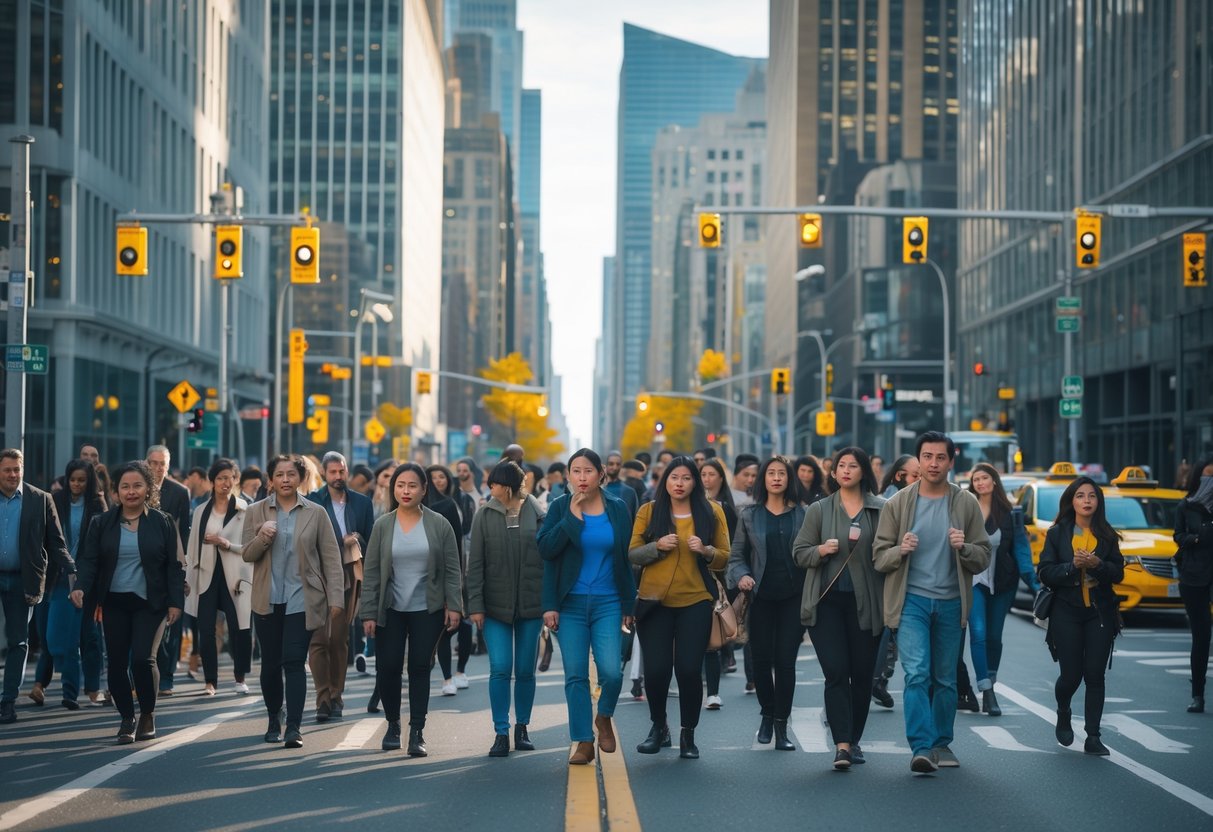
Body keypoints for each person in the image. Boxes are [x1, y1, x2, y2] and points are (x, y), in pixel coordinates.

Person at [872, 432, 990, 774]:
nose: (933, 463)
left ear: (951, 462)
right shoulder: (898, 504)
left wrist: (964, 547)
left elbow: (982, 556)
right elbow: (880, 557)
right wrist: (901, 549)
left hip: (952, 603)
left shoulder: (965, 503)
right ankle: (921, 747)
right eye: (927, 457)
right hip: (912, 603)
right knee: (917, 674)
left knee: (946, 679)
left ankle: (942, 742)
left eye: (941, 457)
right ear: (918, 461)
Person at [70, 460, 183, 742]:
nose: (131, 492)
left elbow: (174, 566)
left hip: (151, 602)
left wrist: (175, 601)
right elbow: (89, 561)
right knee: (118, 663)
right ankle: (126, 717)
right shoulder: (102, 523)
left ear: (148, 489)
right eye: (125, 487)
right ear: (116, 492)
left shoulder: (162, 522)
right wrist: (81, 587)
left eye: (137, 486)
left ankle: (147, 713)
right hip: (115, 602)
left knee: (144, 660)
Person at [539, 449, 637, 765]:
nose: (582, 478)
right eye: (576, 471)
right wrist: (572, 516)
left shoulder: (618, 508)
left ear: (601, 475)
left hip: (609, 601)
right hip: (569, 604)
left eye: (588, 471)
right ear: (569, 475)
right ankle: (582, 740)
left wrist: (628, 602)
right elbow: (546, 551)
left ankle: (604, 715)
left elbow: (625, 558)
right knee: (576, 676)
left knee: (611, 670)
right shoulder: (558, 507)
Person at [629, 456, 730, 760]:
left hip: (696, 601)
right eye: (674, 478)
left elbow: (725, 555)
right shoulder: (649, 511)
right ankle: (659, 727)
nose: (680, 484)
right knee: (657, 671)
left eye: (687, 478)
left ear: (695, 482)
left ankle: (688, 734)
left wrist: (707, 550)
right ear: (665, 481)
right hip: (654, 602)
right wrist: (656, 547)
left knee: (688, 670)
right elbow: (632, 553)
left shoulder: (711, 512)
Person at [241, 455, 345, 749]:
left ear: (300, 479)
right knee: (271, 665)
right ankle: (275, 716)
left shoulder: (316, 512)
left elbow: (331, 559)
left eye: (291, 474)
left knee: (294, 662)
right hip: (267, 599)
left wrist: (336, 598)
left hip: (303, 598)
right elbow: (247, 554)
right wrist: (262, 537)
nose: (285, 480)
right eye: (279, 475)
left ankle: (294, 727)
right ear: (270, 480)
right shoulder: (255, 512)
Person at [360, 463, 462, 756]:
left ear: (424, 489)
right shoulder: (383, 524)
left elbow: (453, 569)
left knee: (419, 666)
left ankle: (417, 730)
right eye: (400, 485)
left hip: (426, 608)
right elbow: (372, 573)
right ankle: (393, 724)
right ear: (393, 489)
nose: (406, 491)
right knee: (388, 666)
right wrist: (368, 612)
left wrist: (454, 605)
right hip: (390, 608)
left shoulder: (438, 523)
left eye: (413, 485)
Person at [792, 447, 886, 769]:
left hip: (867, 604)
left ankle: (855, 740)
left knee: (861, 676)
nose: (846, 470)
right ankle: (842, 745)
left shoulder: (881, 509)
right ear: (833, 473)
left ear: (864, 472)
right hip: (826, 603)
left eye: (853, 465)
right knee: (836, 672)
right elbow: (799, 553)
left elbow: (889, 557)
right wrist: (819, 550)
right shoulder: (818, 510)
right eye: (840, 466)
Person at [1037, 476, 1125, 756]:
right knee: (1071, 676)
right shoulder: (1057, 533)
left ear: (1098, 502)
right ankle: (1063, 710)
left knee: (1095, 674)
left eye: (1092, 496)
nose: (1086, 501)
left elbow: (1118, 573)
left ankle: (1093, 736)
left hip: (1099, 612)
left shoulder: (1107, 535)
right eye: (1080, 496)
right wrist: (1072, 567)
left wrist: (1098, 564)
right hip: (1066, 611)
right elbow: (1045, 572)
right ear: (1071, 501)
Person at [726, 454, 807, 751]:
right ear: (763, 479)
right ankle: (766, 714)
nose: (776, 478)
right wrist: (743, 576)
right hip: (759, 597)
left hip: (792, 598)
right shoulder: (749, 514)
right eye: (770, 473)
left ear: (789, 479)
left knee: (785, 662)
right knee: (760, 661)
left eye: (781, 474)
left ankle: (782, 725)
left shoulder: (803, 514)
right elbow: (736, 557)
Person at [467, 461, 546, 757]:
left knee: (525, 670)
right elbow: (474, 565)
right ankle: (501, 732)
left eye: (495, 484)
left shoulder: (538, 514)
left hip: (531, 605)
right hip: (494, 607)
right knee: (500, 668)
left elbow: (548, 561)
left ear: (509, 485)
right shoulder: (484, 515)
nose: (491, 488)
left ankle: (522, 727)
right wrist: (475, 605)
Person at [1, 450, 72, 724]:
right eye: (7, 470)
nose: (12, 475)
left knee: (18, 642)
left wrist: (71, 567)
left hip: (23, 579)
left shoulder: (40, 499)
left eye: (16, 469)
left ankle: (7, 701)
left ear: (22, 469)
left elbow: (56, 542)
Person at [33, 460, 105, 710]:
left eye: (81, 480)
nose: (76, 484)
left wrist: (86, 579)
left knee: (74, 638)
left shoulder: (97, 505)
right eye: (73, 479)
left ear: (89, 482)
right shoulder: (55, 499)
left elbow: (97, 548)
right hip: (54, 576)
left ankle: (70, 693)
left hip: (81, 580)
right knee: (51, 639)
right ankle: (66, 685)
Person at [307, 452, 374, 720]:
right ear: (324, 473)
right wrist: (339, 540)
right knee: (319, 639)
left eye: (342, 471)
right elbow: (309, 541)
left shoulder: (362, 503)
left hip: (349, 575)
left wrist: (356, 539)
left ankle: (337, 694)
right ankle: (322, 697)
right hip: (318, 576)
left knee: (339, 639)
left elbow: (371, 541)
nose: (338, 477)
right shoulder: (312, 501)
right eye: (333, 472)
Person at [966, 463, 1036, 716]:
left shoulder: (1011, 513)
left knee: (995, 637)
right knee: (979, 632)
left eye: (984, 478)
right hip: (974, 581)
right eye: (976, 480)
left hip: (1003, 583)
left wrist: (1036, 584)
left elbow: (1021, 551)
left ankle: (990, 682)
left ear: (994, 481)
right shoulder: (965, 509)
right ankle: (987, 690)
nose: (980, 483)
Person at [184, 458, 254, 696]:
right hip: (206, 575)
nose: (226, 483)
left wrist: (225, 543)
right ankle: (210, 682)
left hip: (235, 577)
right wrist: (188, 578)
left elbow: (250, 547)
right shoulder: (201, 511)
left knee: (239, 627)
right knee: (206, 629)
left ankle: (240, 677)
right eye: (221, 478)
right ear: (212, 482)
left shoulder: (244, 509)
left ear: (236, 481)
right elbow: (193, 548)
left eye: (230, 478)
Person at [871, 453, 923, 708]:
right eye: (914, 475)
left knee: (891, 634)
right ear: (898, 476)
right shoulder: (888, 503)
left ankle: (880, 679)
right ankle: (876, 678)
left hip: (911, 579)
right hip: (887, 578)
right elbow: (880, 550)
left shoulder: (922, 500)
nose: (918, 480)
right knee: (887, 632)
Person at [145, 445, 191, 698]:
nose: (157, 468)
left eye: (162, 463)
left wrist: (183, 569)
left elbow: (184, 532)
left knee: (173, 622)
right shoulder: (137, 487)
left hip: (172, 565)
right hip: (144, 565)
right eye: (153, 463)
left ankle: (167, 677)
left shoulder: (180, 492)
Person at [423, 464, 470, 695]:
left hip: (450, 572)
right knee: (440, 628)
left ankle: (458, 671)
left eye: (442, 476)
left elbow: (457, 544)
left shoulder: (450, 504)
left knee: (460, 624)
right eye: (433, 477)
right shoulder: (417, 505)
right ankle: (446, 677)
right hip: (424, 576)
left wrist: (460, 576)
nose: (437, 481)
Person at [700, 457, 741, 698]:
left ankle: (713, 692)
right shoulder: (688, 506)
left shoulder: (724, 507)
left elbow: (732, 543)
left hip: (717, 575)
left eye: (711, 474)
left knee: (715, 631)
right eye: (702, 474)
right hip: (689, 578)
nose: (706, 479)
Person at [1175, 455, 1213, 713]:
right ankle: (1197, 694)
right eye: (1206, 477)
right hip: (1194, 576)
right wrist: (1197, 539)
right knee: (1201, 637)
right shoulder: (1186, 505)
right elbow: (1177, 535)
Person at [604, 451, 639, 517]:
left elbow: (634, 517)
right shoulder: (597, 491)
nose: (615, 467)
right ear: (606, 466)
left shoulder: (630, 492)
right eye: (611, 464)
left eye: (618, 464)